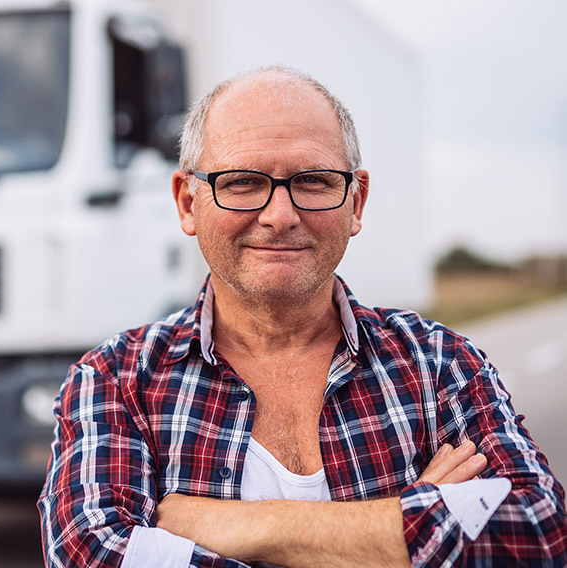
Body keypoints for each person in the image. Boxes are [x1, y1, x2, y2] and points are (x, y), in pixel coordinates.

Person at [38, 66, 566, 567]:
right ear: (187, 202)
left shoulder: (439, 365)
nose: (280, 215)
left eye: (313, 180)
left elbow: (539, 534)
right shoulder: (116, 380)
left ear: (355, 202)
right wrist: (406, 525)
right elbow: (92, 553)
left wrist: (239, 526)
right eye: (242, 181)